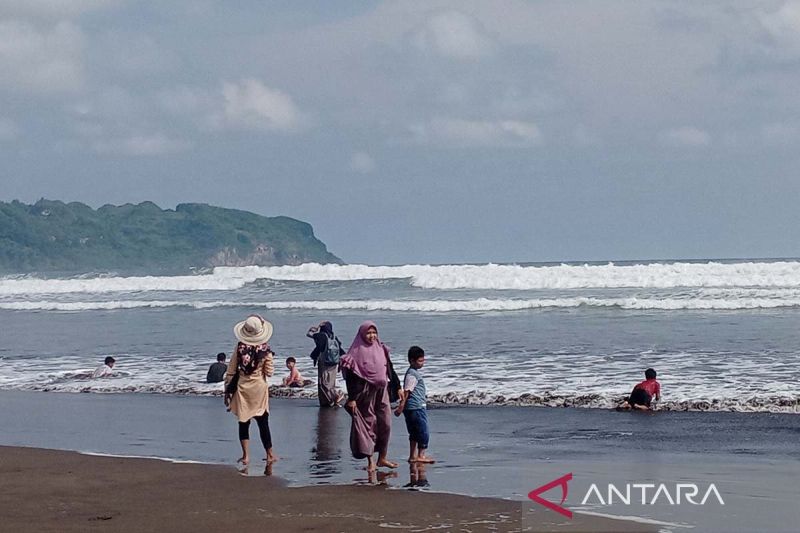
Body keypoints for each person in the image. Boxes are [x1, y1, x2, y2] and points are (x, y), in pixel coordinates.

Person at [340, 321, 403, 472]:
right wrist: (353, 398)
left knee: (385, 423)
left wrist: (398, 386)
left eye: (374, 332)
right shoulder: (355, 352)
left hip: (382, 389)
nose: (372, 336)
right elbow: (350, 376)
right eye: (368, 333)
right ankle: (371, 460)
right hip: (364, 391)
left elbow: (389, 368)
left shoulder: (381, 348)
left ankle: (382, 458)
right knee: (369, 423)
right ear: (362, 334)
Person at [224, 314, 277, 466]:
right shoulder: (265, 350)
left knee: (243, 422)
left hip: (242, 388)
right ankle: (270, 454)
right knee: (263, 422)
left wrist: (227, 389)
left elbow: (231, 369)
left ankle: (246, 456)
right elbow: (269, 372)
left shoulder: (240, 347)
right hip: (259, 388)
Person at [394, 346, 434, 464]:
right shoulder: (412, 374)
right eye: (420, 361)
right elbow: (407, 391)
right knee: (422, 431)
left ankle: (413, 456)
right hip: (416, 407)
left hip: (412, 407)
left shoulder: (412, 373)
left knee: (414, 432)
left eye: (423, 360)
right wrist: (401, 406)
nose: (422, 363)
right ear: (412, 361)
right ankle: (420, 455)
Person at [307, 321, 345, 407]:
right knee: (331, 383)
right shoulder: (335, 338)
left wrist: (315, 328)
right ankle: (330, 401)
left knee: (323, 383)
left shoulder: (321, 336)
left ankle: (335, 396)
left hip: (324, 362)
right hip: (334, 363)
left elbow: (309, 334)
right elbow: (341, 350)